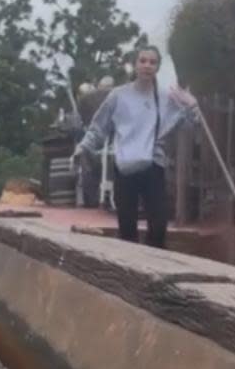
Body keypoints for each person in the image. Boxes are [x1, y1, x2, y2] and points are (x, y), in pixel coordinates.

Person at [72, 46, 199, 248]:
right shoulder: (118, 95)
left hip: (153, 165)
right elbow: (99, 127)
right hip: (125, 166)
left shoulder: (167, 97)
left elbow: (189, 125)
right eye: (143, 60)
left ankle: (156, 265)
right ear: (135, 64)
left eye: (152, 62)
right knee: (127, 226)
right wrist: (83, 147)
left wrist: (192, 105)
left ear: (157, 67)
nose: (147, 66)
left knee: (158, 225)